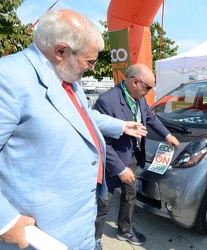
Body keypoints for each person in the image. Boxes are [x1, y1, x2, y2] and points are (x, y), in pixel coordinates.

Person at [0, 9, 147, 249]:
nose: (91, 68)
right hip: (39, 235)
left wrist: (122, 125)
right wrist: (5, 223)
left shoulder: (66, 77)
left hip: (80, 225)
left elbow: (84, 117)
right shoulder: (7, 78)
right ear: (61, 51)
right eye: (89, 61)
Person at [93, 64, 180, 249]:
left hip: (131, 158)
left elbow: (150, 118)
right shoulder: (106, 101)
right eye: (148, 88)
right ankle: (94, 239)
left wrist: (167, 135)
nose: (149, 92)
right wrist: (120, 169)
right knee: (103, 204)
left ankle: (124, 230)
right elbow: (102, 143)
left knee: (130, 197)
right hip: (112, 163)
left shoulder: (139, 98)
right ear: (135, 82)